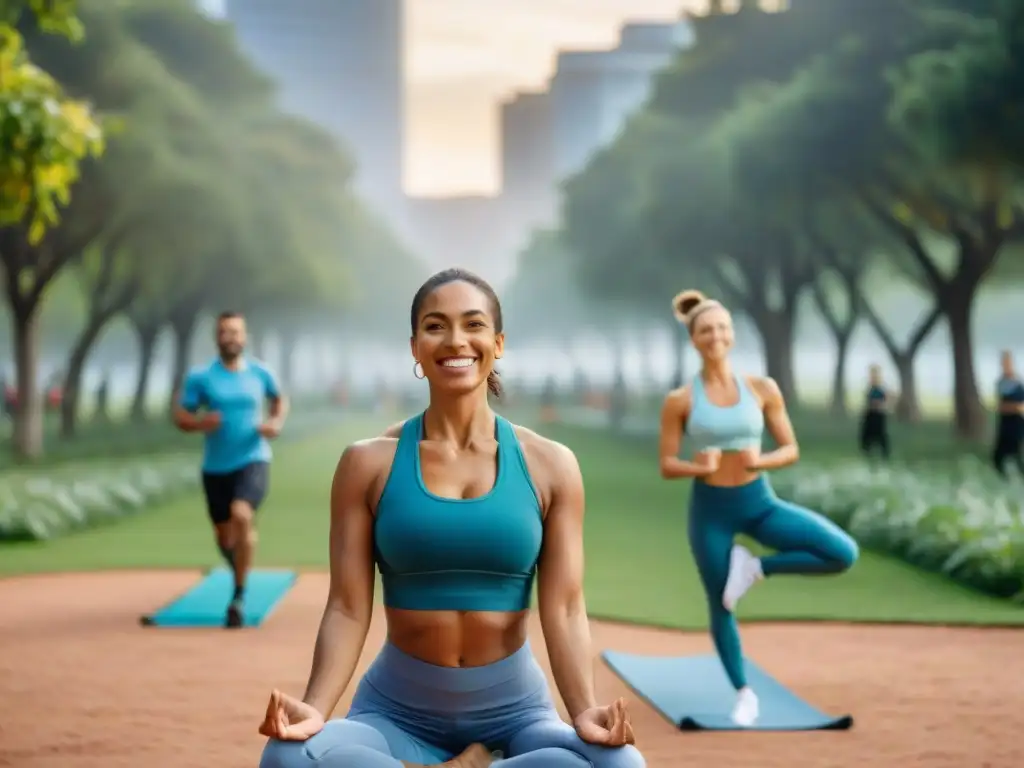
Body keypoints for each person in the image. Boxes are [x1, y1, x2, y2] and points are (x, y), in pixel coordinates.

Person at [257, 268, 643, 768]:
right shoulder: (367, 464)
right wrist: (314, 708)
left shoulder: (550, 465)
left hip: (517, 715)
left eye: (473, 324)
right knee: (287, 757)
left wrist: (585, 711)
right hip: (395, 714)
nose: (455, 339)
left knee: (620, 765)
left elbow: (565, 607)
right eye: (436, 326)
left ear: (497, 343)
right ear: (415, 347)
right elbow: (348, 607)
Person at [658, 289, 859, 728]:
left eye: (723, 328)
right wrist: (697, 465)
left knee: (842, 553)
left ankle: (756, 568)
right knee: (721, 603)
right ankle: (744, 693)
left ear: (732, 334)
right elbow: (667, 464)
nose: (716, 336)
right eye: (707, 330)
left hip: (759, 502)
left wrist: (760, 459)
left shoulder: (762, 388)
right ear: (694, 339)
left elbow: (789, 447)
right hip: (711, 512)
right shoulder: (681, 399)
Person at [172, 310, 288, 628]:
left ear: (245, 336)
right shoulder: (202, 377)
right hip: (215, 468)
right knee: (225, 538)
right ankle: (238, 562)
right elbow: (180, 414)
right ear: (216, 338)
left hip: (253, 458)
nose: (230, 338)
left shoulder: (260, 373)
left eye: (236, 332)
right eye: (224, 332)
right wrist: (199, 423)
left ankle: (238, 595)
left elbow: (279, 400)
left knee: (242, 514)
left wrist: (275, 422)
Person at [993, 350, 1024, 478]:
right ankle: (1006, 478)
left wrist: (1014, 408)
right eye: (1004, 362)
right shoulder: (1001, 383)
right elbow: (1001, 406)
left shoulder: (1017, 383)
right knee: (998, 457)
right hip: (1006, 423)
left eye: (1008, 362)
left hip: (1016, 423)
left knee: (1017, 454)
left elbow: (1020, 406)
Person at [859, 364, 891, 461]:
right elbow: (867, 401)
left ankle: (884, 453)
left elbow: (884, 401)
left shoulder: (880, 389)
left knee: (880, 435)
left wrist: (878, 405)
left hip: (878, 415)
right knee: (866, 434)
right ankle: (866, 451)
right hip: (870, 414)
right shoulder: (870, 389)